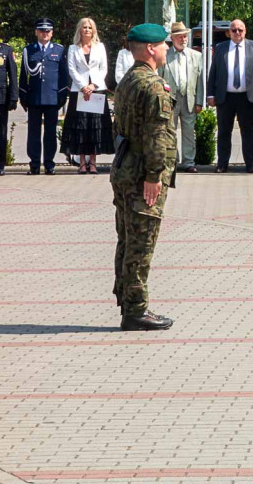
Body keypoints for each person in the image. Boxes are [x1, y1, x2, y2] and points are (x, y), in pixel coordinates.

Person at [110, 23, 177, 331]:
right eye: (163, 45)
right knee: (141, 241)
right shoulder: (153, 86)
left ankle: (127, 300)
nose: (166, 48)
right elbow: (156, 136)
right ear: (150, 49)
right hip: (142, 174)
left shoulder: (127, 80)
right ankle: (136, 310)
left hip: (125, 168)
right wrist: (154, 176)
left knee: (127, 238)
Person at [61, 17, 114, 173]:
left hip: (96, 90)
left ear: (94, 31)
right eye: (84, 27)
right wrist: (84, 86)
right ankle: (82, 162)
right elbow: (72, 69)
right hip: (80, 91)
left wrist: (93, 85)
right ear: (79, 30)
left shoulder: (100, 47)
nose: (87, 30)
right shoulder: (73, 48)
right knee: (81, 128)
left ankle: (93, 162)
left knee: (95, 127)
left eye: (90, 28)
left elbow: (103, 69)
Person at [207, 20, 253, 173]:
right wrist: (210, 94)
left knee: (248, 132)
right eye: (234, 30)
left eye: (240, 30)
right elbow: (213, 72)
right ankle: (222, 164)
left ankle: (251, 164)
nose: (237, 33)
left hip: (246, 97)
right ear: (229, 32)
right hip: (225, 97)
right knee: (223, 131)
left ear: (245, 31)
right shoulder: (220, 48)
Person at [19, 18, 69, 175]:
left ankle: (49, 163)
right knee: (33, 133)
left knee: (50, 133)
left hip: (52, 98)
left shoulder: (59, 50)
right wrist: (23, 96)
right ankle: (34, 164)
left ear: (52, 33)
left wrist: (62, 96)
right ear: (36, 32)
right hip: (34, 98)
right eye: (41, 30)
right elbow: (23, 76)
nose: (44, 33)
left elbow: (63, 76)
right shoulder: (29, 50)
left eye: (47, 31)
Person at [159, 22, 204, 173]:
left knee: (189, 132)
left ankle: (189, 162)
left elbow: (200, 80)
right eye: (180, 37)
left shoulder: (196, 56)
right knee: (169, 131)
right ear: (172, 38)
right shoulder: (165, 55)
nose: (183, 39)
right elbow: (159, 78)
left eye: (185, 36)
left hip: (189, 99)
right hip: (170, 99)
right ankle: (172, 161)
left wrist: (199, 101)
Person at [0, 20, 18, 176]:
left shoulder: (6, 50)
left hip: (0, 99)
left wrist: (13, 97)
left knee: (0, 134)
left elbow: (13, 75)